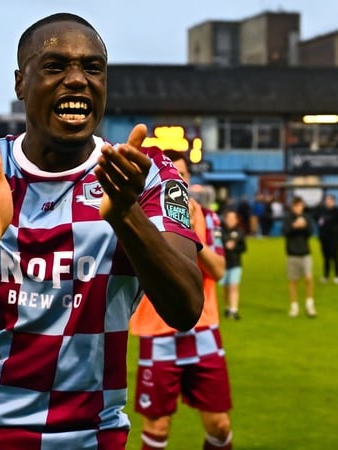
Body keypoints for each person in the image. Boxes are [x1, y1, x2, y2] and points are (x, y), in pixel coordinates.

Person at [0, 12, 203, 450]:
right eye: (56, 66)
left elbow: (185, 308)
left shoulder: (148, 173)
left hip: (89, 437)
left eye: (92, 68)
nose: (77, 80)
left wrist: (125, 215)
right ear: (21, 83)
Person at [129, 149, 233, 450]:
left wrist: (189, 235)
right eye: (171, 174)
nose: (178, 180)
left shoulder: (207, 216)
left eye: (182, 175)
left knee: (219, 424)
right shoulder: (141, 216)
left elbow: (219, 270)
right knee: (157, 428)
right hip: (157, 332)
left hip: (204, 332)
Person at [283, 196, 316, 317]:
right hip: (292, 253)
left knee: (308, 278)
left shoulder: (307, 217)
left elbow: (311, 232)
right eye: (296, 206)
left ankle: (309, 304)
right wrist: (294, 226)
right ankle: (294, 305)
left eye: (301, 206)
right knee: (293, 281)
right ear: (293, 207)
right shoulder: (288, 218)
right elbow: (285, 232)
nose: (298, 208)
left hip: (305, 252)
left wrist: (305, 226)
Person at [315, 193, 338, 284]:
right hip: (324, 236)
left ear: (334, 201)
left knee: (335, 256)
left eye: (330, 200)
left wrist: (337, 227)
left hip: (335, 237)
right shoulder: (322, 211)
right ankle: (326, 276)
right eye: (327, 200)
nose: (328, 202)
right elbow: (315, 218)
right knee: (325, 257)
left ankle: (337, 276)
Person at [220, 209, 246, 320]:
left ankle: (234, 310)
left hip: (235, 263)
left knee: (233, 286)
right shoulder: (220, 231)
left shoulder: (240, 231)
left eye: (233, 218)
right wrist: (225, 246)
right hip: (223, 263)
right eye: (229, 218)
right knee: (226, 287)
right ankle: (227, 306)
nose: (231, 221)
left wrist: (234, 247)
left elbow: (244, 247)